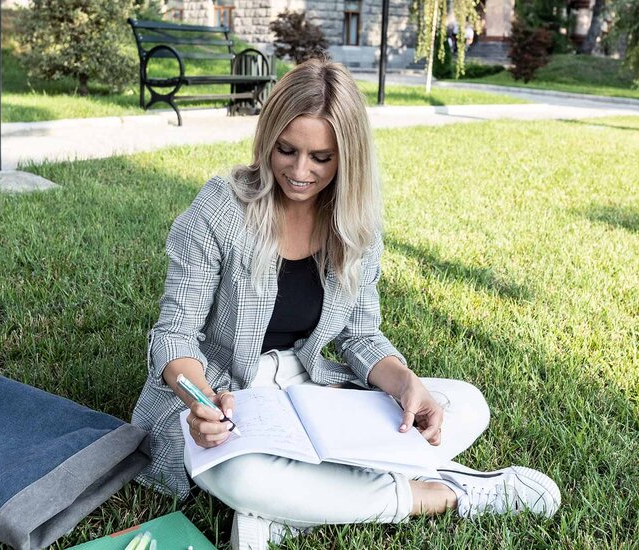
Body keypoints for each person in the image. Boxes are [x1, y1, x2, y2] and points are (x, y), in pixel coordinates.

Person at [132, 58, 561, 550]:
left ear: (347, 157)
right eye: (286, 150)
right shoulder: (220, 209)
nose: (299, 171)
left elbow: (360, 334)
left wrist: (405, 384)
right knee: (242, 475)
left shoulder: (355, 223)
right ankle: (441, 494)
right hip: (228, 392)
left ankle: (286, 513)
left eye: (321, 158)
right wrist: (202, 405)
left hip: (309, 388)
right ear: (267, 137)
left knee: (465, 405)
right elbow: (175, 335)